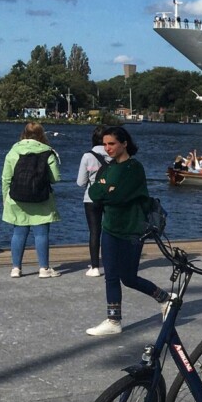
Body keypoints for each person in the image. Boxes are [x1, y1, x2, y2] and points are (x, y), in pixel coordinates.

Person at [85, 126, 171, 336]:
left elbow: (119, 197)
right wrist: (107, 189)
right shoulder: (108, 167)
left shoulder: (134, 168)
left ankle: (165, 298)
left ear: (124, 143)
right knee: (111, 276)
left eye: (112, 144)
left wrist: (107, 190)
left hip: (132, 230)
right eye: (105, 144)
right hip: (110, 228)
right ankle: (114, 321)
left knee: (128, 277)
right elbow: (94, 192)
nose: (107, 148)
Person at [2, 122, 62, 278]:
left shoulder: (13, 151)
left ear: (24, 133)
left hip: (17, 198)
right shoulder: (48, 152)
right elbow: (55, 178)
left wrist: (5, 200)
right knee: (41, 233)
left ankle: (16, 268)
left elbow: (6, 178)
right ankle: (44, 268)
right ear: (42, 134)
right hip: (41, 197)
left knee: (19, 232)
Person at [77, 126, 110, 277]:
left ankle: (95, 267)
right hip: (111, 197)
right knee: (112, 231)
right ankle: (113, 262)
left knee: (94, 232)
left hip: (91, 198)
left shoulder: (88, 156)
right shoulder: (114, 155)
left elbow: (80, 182)